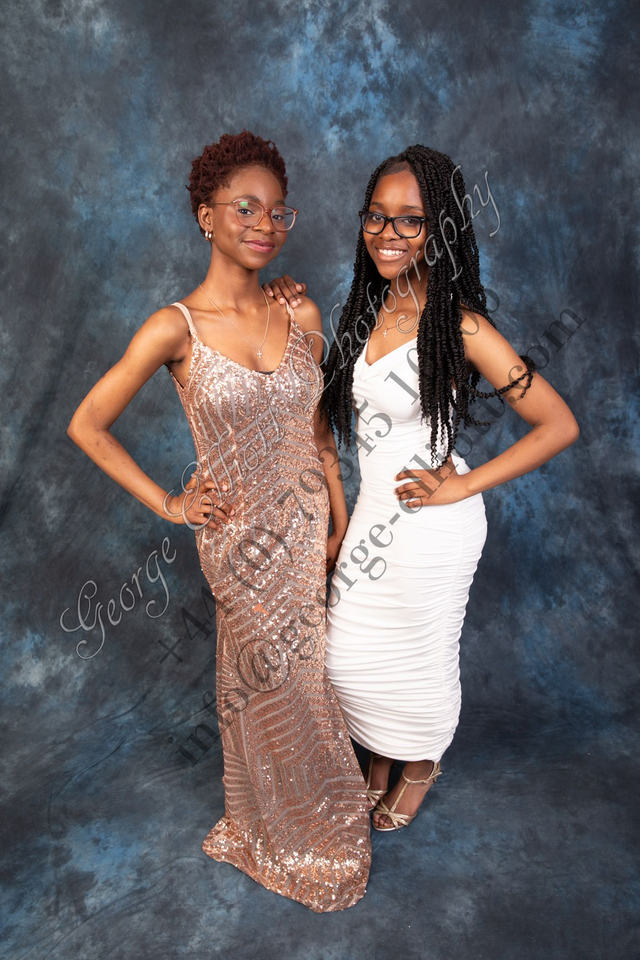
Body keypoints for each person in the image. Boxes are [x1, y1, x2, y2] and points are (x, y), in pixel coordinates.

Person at [67, 130, 371, 910]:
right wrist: (171, 504)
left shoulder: (299, 309)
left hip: (307, 530)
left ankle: (278, 820)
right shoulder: (176, 327)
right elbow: (88, 425)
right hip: (239, 543)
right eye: (245, 207)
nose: (265, 224)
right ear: (207, 217)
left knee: (297, 679)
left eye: (278, 210)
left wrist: (340, 519)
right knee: (280, 679)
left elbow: (318, 430)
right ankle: (294, 833)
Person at [263, 143, 579, 831]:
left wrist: (461, 487)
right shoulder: (366, 309)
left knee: (422, 656)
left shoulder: (460, 325)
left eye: (410, 219)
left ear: (440, 228)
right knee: (346, 659)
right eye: (377, 216)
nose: (389, 232)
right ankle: (383, 753)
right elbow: (322, 422)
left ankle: (421, 761)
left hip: (433, 523)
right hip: (374, 511)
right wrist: (339, 521)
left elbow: (557, 424)